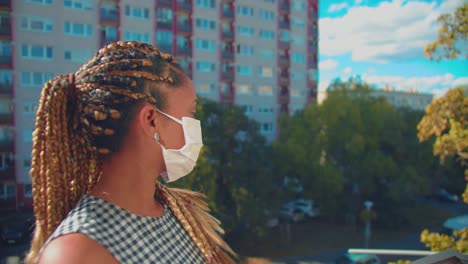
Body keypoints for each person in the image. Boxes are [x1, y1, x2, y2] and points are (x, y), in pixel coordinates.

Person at [24, 41, 236, 264]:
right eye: (191, 113)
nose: (195, 126)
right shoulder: (77, 254)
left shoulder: (179, 212)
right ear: (151, 121)